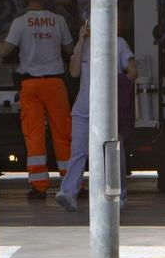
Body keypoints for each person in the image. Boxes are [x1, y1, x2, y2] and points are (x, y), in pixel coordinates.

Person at [0, 0, 75, 199]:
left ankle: (39, 186)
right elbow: (70, 49)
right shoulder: (58, 20)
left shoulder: (20, 22)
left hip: (30, 85)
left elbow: (5, 51)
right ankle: (70, 183)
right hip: (55, 83)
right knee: (63, 134)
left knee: (34, 135)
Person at [56, 19, 137, 212]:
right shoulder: (83, 47)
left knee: (113, 153)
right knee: (78, 151)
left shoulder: (118, 43)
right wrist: (80, 41)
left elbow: (132, 71)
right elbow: (74, 72)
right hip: (83, 109)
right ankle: (68, 193)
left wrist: (116, 89)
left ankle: (119, 194)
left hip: (108, 110)